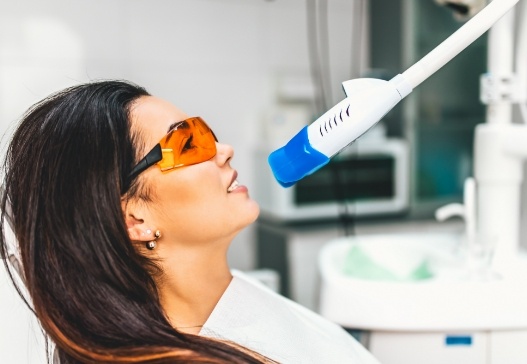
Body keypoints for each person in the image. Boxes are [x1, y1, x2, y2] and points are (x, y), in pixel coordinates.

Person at [0, 80, 381, 363]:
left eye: (206, 133)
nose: (224, 150)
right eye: (187, 143)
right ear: (135, 219)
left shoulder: (230, 295)